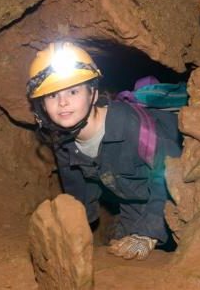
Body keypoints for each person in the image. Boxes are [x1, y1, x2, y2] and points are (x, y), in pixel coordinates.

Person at [26, 41, 182, 260]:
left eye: (73, 91)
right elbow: (78, 194)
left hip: (173, 195)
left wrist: (149, 233)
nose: (63, 103)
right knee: (120, 258)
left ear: (92, 92)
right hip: (132, 203)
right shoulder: (64, 143)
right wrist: (73, 233)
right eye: (52, 95)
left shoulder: (130, 125)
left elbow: (173, 176)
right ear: (41, 105)